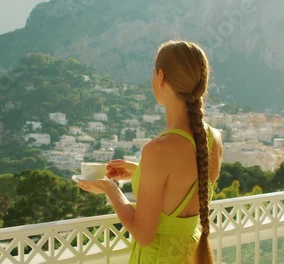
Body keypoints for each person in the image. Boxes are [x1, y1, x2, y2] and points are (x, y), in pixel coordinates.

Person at [77, 40, 223, 264]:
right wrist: (139, 171)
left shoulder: (158, 149)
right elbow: (185, 185)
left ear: (161, 76)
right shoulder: (214, 139)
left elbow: (143, 234)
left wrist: (110, 188)